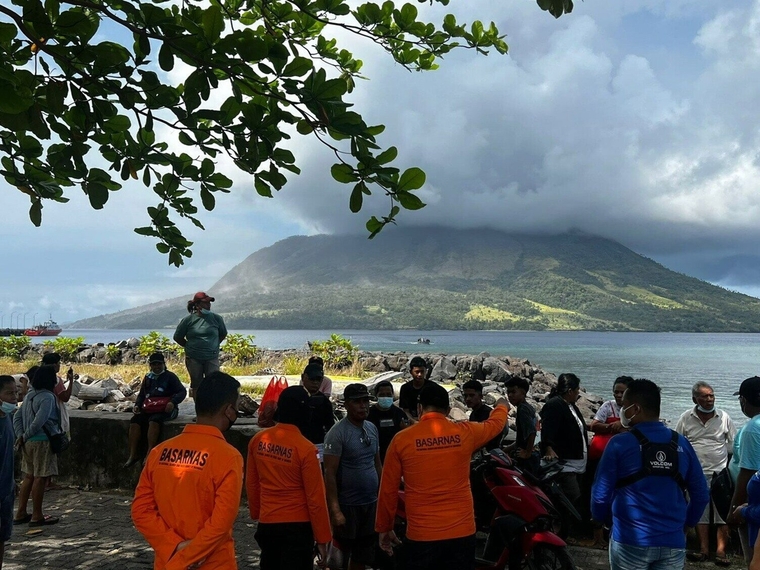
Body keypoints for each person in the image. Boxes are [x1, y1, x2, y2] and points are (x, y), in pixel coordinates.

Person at [375, 382, 509, 570]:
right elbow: (495, 424)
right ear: (447, 410)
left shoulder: (401, 440)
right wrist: (502, 405)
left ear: (420, 408)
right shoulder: (465, 433)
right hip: (462, 532)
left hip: (422, 535)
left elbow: (388, 490)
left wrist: (384, 527)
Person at [591, 378, 709, 570]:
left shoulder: (619, 444)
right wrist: (686, 525)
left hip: (630, 540)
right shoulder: (681, 443)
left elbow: (600, 495)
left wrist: (602, 521)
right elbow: (701, 494)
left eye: (625, 406)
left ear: (635, 409)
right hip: (672, 542)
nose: (622, 410)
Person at [132, 370, 244, 570]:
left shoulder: (159, 452)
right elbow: (221, 523)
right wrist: (189, 555)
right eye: (236, 408)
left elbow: (141, 511)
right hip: (214, 563)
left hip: (167, 561)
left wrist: (173, 547)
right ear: (228, 410)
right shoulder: (228, 457)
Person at [247, 386, 331, 570]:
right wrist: (323, 538)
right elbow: (316, 498)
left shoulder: (258, 440)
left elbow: (252, 484)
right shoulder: (306, 449)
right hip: (297, 528)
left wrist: (256, 513)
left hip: (268, 523)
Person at [674, 381, 735, 566]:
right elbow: (677, 444)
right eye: (705, 396)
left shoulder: (723, 417)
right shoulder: (686, 418)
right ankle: (703, 550)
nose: (709, 399)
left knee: (722, 513)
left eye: (712, 395)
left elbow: (733, 443)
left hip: (720, 473)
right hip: (695, 474)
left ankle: (721, 551)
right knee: (699, 511)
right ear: (695, 399)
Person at [324, 383, 382, 570]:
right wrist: (335, 511)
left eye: (365, 401)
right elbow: (330, 473)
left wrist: (384, 496)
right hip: (348, 505)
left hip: (371, 503)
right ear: (347, 405)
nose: (363, 406)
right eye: (357, 402)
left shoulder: (372, 428)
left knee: (363, 555)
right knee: (339, 559)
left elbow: (377, 463)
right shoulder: (337, 433)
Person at [539, 372, 588, 539]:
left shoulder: (570, 405)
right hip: (565, 463)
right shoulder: (555, 405)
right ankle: (565, 533)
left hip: (577, 462)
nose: (578, 393)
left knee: (574, 498)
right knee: (571, 499)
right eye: (577, 390)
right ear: (569, 390)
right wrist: (548, 448)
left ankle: (568, 533)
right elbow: (547, 429)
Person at [12, 365, 62, 526]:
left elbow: (17, 417)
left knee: (28, 476)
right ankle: (37, 515)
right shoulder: (47, 397)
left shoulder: (29, 395)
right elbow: (40, 420)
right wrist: (25, 435)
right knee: (40, 477)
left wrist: (21, 436)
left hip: (28, 442)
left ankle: (20, 512)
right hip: (42, 441)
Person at [587, 375, 632, 548]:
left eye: (622, 392)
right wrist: (612, 427)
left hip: (622, 461)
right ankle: (598, 537)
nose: (618, 396)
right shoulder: (608, 406)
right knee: (599, 495)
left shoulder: (632, 410)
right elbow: (594, 425)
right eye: (616, 392)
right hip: (600, 458)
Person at [124, 352, 187, 468]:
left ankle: (150, 452)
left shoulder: (171, 377)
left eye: (159, 364)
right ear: (150, 365)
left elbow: (182, 391)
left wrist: (173, 402)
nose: (157, 367)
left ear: (164, 364)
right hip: (150, 407)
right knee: (135, 421)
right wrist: (137, 405)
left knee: (154, 420)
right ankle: (133, 454)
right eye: (154, 364)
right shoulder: (148, 378)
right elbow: (142, 395)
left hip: (166, 409)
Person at [727, 376, 760, 564]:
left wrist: (734, 510)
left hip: (752, 503)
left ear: (744, 401)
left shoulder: (752, 428)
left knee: (754, 559)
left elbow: (747, 473)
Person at [173, 291, 228, 397]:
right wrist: (189, 347)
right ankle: (199, 409)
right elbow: (178, 337)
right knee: (197, 384)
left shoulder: (217, 319)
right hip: (194, 358)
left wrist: (214, 345)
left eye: (209, 303)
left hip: (212, 357)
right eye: (206, 303)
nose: (209, 305)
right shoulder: (188, 320)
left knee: (213, 383)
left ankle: (211, 409)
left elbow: (223, 334)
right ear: (197, 305)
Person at [298, 363, 335, 460]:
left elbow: (330, 426)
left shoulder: (324, 401)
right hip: (295, 443)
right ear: (303, 377)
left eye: (318, 380)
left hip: (318, 444)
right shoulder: (293, 396)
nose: (315, 383)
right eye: (312, 379)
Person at [503, 376, 538, 474]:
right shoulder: (528, 407)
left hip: (526, 460)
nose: (510, 395)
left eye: (513, 392)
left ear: (523, 392)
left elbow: (532, 432)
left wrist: (527, 452)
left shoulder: (522, 409)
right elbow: (522, 438)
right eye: (508, 392)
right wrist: (506, 450)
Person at [367, 381, 408, 463]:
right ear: (376, 396)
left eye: (388, 394)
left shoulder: (399, 414)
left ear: (393, 395)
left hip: (395, 456)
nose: (385, 397)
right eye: (382, 395)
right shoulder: (369, 414)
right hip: (374, 457)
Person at [0, 376, 18, 568]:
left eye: (16, 392)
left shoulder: (9, 418)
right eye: (9, 393)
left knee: (3, 535)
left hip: (6, 489)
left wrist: (14, 481)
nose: (14, 397)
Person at [462, 379, 503, 451]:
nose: (468, 399)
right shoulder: (473, 414)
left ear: (481, 396)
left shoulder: (488, 413)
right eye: (465, 396)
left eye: (471, 395)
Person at [399, 356, 430, 423]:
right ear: (411, 372)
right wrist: (414, 422)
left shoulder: (432, 387)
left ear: (426, 371)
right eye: (417, 372)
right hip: (411, 420)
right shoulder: (405, 388)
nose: (420, 374)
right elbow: (405, 410)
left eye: (422, 372)